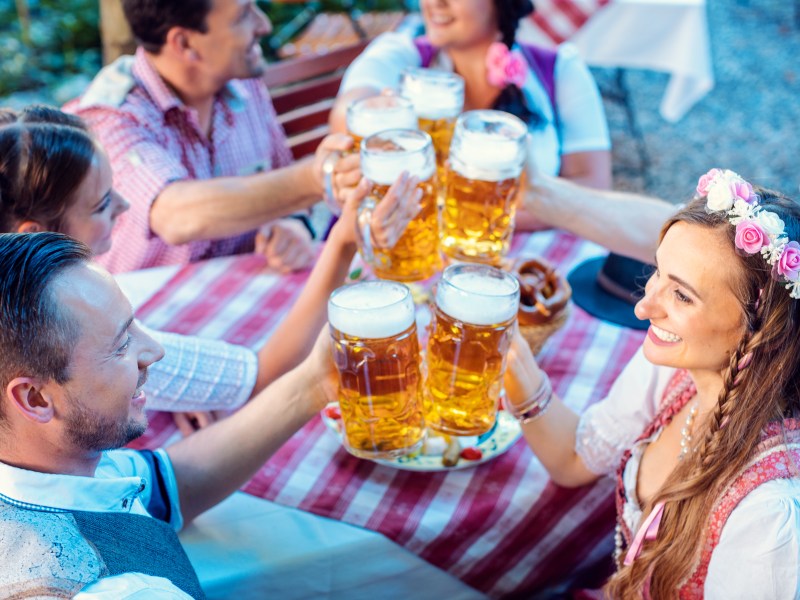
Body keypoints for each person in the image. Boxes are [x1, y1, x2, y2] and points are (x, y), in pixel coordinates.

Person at [0, 105, 420, 431]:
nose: (127, 207)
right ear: (32, 234)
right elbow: (263, 376)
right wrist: (344, 241)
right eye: (103, 203)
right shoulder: (82, 337)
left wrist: (154, 391)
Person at [503, 169, 800, 597]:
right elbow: (573, 459)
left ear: (760, 330)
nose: (643, 307)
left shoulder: (771, 518)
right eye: (657, 272)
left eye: (681, 296)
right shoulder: (677, 366)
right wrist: (514, 363)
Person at [0, 231, 345, 596]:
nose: (155, 349)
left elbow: (170, 483)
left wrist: (314, 383)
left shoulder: (50, 461)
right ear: (35, 398)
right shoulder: (125, 590)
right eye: (121, 346)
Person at [65, 0, 363, 274]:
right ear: (185, 43)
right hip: (139, 316)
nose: (263, 25)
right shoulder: (110, 117)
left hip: (239, 294)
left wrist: (294, 224)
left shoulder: (244, 83)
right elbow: (175, 214)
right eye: (244, 15)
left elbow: (281, 178)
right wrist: (317, 177)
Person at [330, 0, 612, 229]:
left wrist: (471, 223)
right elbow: (347, 114)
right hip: (410, 254)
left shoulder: (559, 69)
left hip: (523, 259)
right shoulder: (400, 53)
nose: (434, 3)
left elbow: (594, 187)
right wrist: (381, 112)